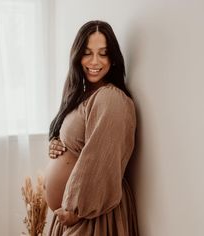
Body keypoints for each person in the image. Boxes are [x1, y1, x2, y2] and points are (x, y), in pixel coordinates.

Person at [44, 20, 139, 236]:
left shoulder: (110, 99)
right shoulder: (82, 95)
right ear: (77, 56)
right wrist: (56, 144)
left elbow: (101, 160)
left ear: (113, 58)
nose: (94, 61)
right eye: (87, 53)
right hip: (74, 213)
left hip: (91, 217)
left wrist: (76, 210)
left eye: (103, 53)